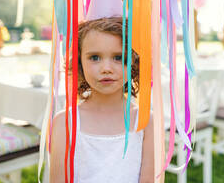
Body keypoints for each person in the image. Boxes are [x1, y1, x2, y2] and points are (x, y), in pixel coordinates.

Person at [50, 17, 154, 183]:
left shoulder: (145, 121)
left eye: (118, 57)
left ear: (134, 62)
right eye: (95, 57)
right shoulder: (65, 123)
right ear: (79, 63)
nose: (106, 68)